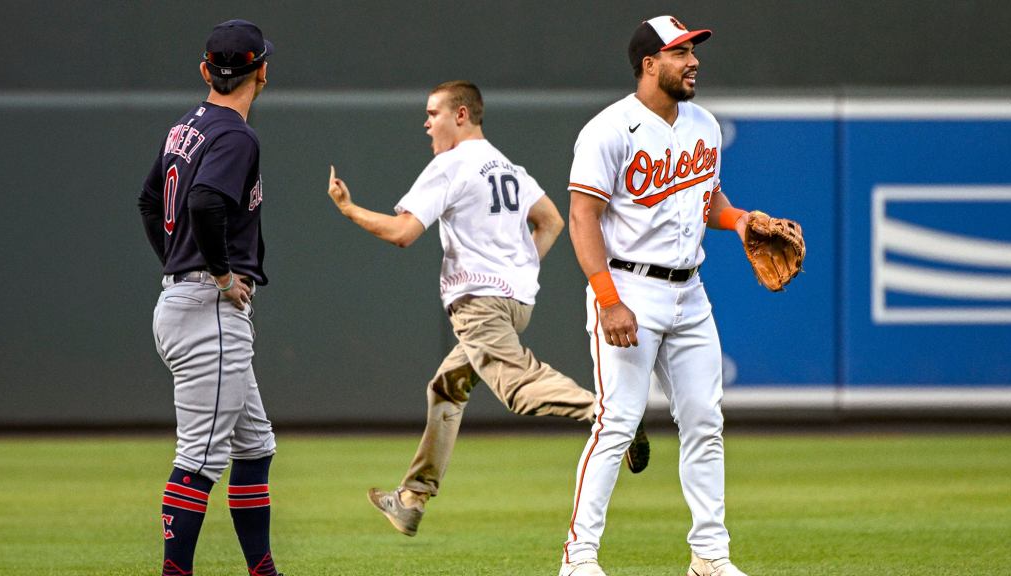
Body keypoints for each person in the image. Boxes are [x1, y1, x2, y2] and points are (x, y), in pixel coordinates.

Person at [324, 81, 650, 538]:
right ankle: (412, 498)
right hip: (515, 302)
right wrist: (520, 267)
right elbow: (551, 220)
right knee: (446, 388)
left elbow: (402, 232)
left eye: (433, 112)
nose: (426, 122)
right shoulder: (508, 166)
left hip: (479, 305)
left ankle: (612, 415)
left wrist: (349, 209)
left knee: (517, 386)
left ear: (461, 115)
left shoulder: (451, 165)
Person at [558, 16, 755, 576]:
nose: (693, 61)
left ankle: (709, 557)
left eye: (693, 51)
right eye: (680, 52)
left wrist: (738, 221)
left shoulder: (704, 125)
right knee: (616, 420)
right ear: (649, 64)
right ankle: (579, 558)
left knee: (703, 420)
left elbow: (705, 198)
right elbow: (582, 217)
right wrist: (607, 298)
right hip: (628, 287)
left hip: (690, 290)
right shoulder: (608, 129)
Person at [137, 19, 284, 576]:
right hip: (208, 309)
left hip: (183, 300)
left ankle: (262, 570)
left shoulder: (187, 127)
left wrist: (179, 264)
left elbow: (151, 202)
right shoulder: (235, 133)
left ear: (206, 71)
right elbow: (202, 203)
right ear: (261, 72)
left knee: (254, 446)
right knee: (198, 460)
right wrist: (218, 274)